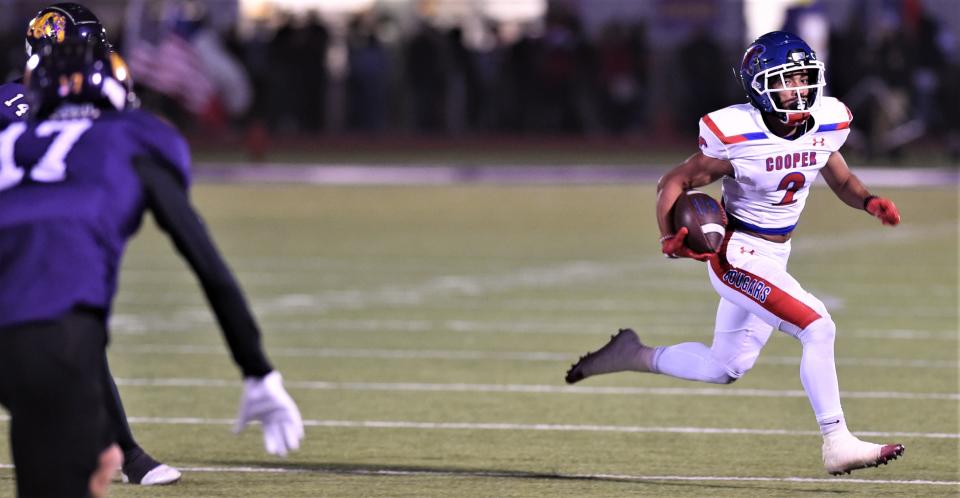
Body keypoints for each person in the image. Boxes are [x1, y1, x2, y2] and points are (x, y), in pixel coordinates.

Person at [565, 31, 905, 476]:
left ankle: (633, 355)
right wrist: (668, 236)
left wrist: (866, 199)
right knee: (817, 325)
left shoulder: (826, 119)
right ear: (760, 86)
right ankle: (836, 440)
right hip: (737, 253)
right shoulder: (737, 134)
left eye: (804, 78)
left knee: (725, 366)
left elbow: (835, 172)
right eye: (787, 81)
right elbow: (674, 182)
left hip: (775, 255)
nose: (799, 89)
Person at [0, 14, 303, 498]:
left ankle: (120, 451)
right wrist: (256, 369)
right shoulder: (125, 132)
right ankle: (123, 452)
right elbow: (202, 254)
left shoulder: (15, 128)